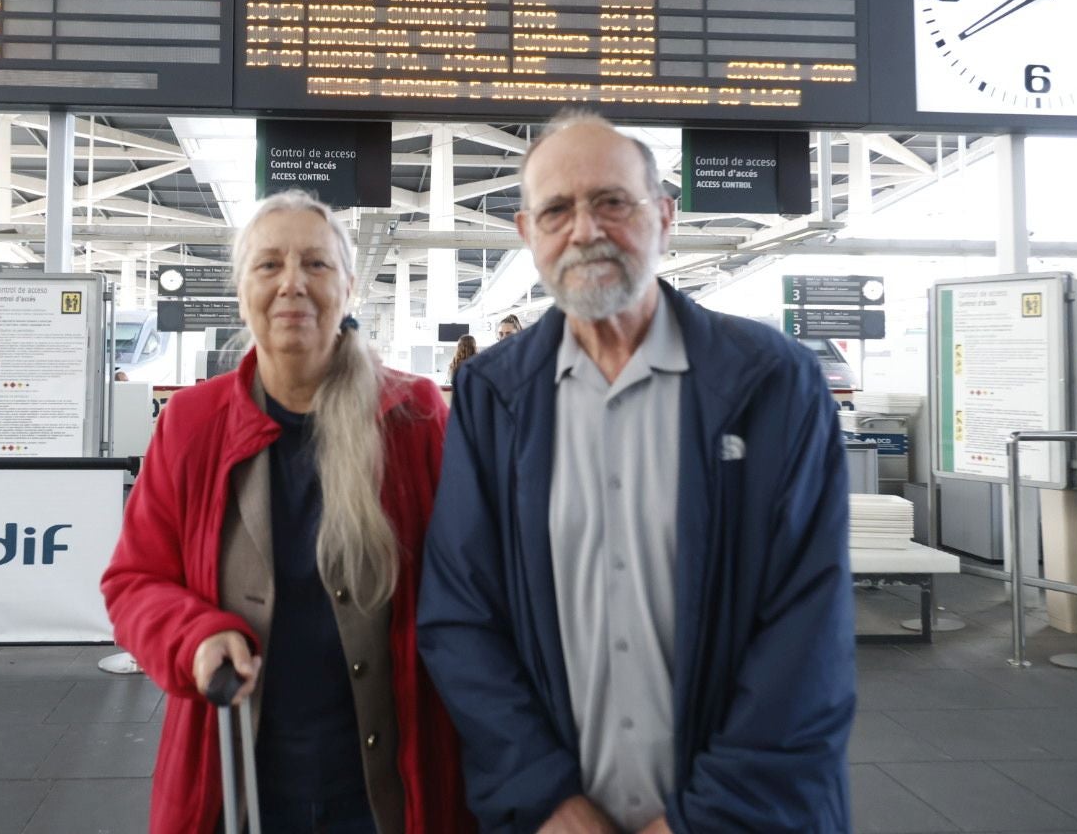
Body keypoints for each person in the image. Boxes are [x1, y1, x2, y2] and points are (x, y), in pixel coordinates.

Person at [418, 110, 855, 833]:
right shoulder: (494, 398)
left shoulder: (771, 382)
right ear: (529, 236)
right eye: (557, 209)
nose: (585, 230)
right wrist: (545, 797)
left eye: (611, 202)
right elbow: (462, 615)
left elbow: (807, 633)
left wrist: (703, 819)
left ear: (663, 217)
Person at [102, 190, 470, 834]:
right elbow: (134, 582)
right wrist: (194, 636)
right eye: (268, 265)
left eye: (316, 264)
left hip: (393, 783)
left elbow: (472, 583)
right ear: (242, 287)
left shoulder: (413, 415)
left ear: (349, 287)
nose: (291, 283)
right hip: (235, 779)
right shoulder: (193, 424)